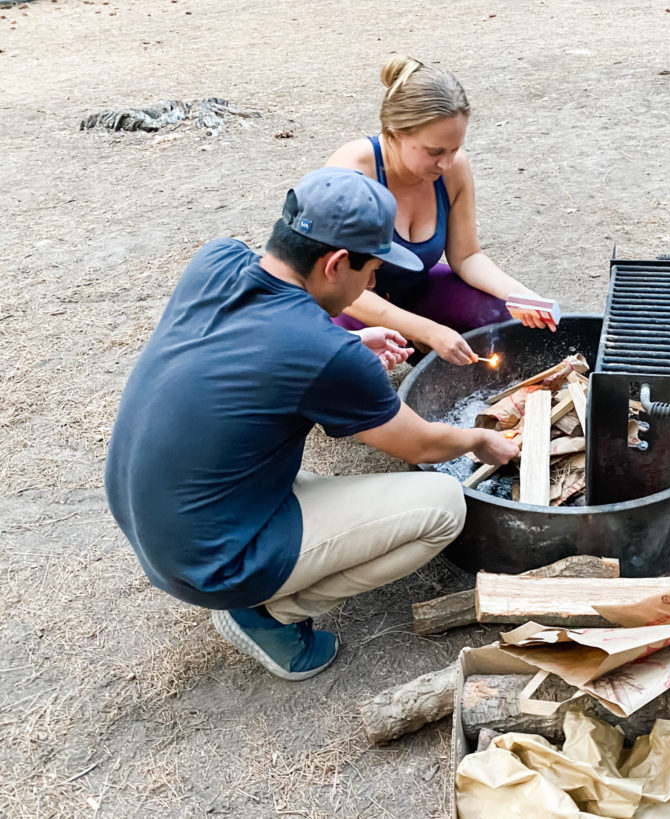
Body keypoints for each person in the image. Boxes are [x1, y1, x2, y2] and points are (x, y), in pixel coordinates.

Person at [105, 168, 518, 681]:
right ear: (336, 263)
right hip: (210, 559)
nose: (373, 286)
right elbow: (425, 444)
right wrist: (480, 439)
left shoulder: (217, 259)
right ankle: (265, 616)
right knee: (443, 507)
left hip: (154, 512)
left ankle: (255, 581)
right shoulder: (318, 353)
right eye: (372, 272)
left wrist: (348, 343)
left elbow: (260, 344)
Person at [325, 56, 555, 365]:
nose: (446, 163)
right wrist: (428, 330)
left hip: (419, 288)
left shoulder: (453, 168)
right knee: (349, 368)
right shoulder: (352, 172)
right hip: (353, 304)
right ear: (394, 134)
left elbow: (467, 257)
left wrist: (521, 296)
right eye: (435, 152)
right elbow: (336, 285)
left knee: (505, 318)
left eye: (455, 149)